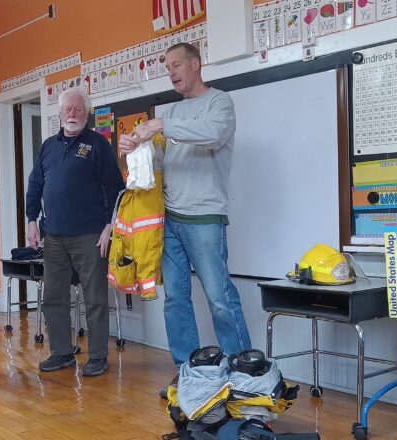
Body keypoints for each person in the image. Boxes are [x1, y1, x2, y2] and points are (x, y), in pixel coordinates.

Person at [118, 43, 252, 396]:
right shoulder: (173, 110)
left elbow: (213, 135)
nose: (172, 72)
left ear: (195, 64)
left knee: (219, 297)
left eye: (176, 64)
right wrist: (135, 152)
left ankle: (244, 372)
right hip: (169, 219)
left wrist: (162, 124)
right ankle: (187, 369)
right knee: (176, 299)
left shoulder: (219, 103)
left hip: (205, 216)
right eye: (167, 68)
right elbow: (159, 164)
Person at [26, 87, 124, 377]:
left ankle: (97, 356)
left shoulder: (97, 145)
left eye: (78, 109)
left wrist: (110, 225)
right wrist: (31, 219)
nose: (73, 114)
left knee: (94, 298)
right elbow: (35, 186)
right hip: (53, 235)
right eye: (68, 109)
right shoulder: (48, 146)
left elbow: (116, 188)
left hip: (91, 234)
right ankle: (61, 353)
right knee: (54, 297)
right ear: (59, 114)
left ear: (87, 113)